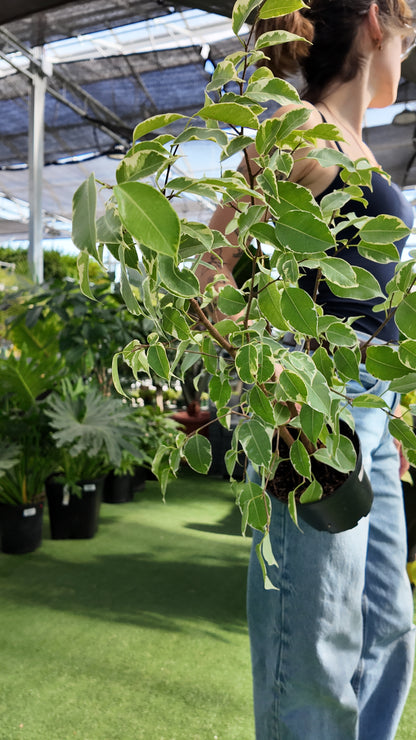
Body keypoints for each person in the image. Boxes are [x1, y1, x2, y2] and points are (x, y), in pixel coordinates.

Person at [196, 2, 416, 738]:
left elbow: (369, 289)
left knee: (390, 629)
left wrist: (396, 413)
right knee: (315, 649)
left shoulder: (358, 143)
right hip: (316, 411)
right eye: (409, 30)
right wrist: (275, 399)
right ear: (377, 22)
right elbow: (209, 273)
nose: (409, 50)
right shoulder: (301, 129)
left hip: (373, 416)